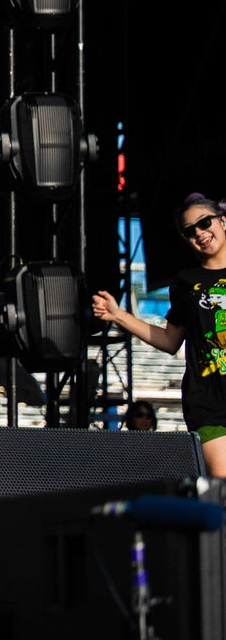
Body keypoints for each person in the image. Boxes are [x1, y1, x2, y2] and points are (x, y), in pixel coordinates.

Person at [92, 193, 226, 477]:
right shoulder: (186, 282)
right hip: (210, 402)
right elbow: (169, 340)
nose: (200, 233)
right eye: (190, 231)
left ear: (222, 221)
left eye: (205, 223)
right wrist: (119, 315)